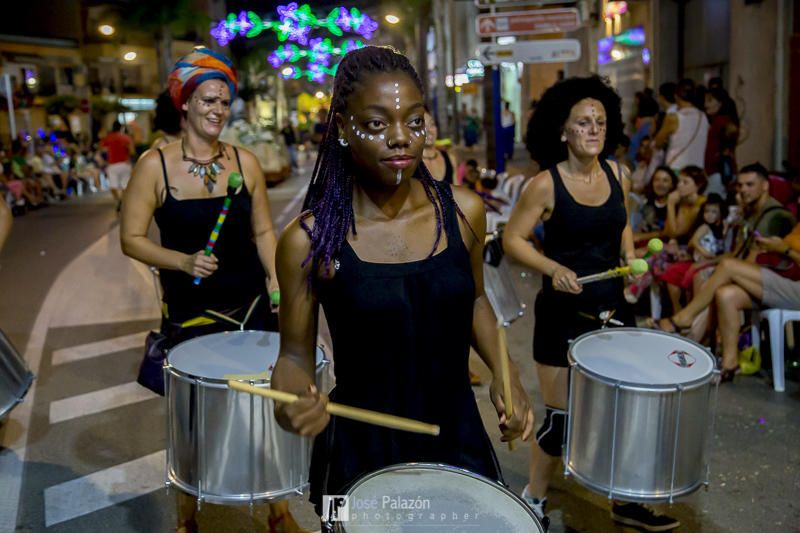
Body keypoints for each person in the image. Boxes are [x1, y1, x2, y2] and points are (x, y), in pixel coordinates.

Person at [269, 46, 533, 531]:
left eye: (414, 122)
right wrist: (290, 404)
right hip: (358, 447)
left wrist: (504, 369)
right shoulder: (309, 240)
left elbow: (473, 297)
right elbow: (293, 355)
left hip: (455, 432)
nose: (400, 139)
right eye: (376, 124)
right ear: (343, 129)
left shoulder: (464, 212)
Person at [119, 47, 298, 533]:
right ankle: (187, 518)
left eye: (225, 101)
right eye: (208, 100)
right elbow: (130, 239)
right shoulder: (154, 167)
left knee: (268, 413)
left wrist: (276, 278)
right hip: (192, 314)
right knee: (194, 424)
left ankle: (278, 513)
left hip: (252, 308)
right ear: (184, 104)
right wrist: (181, 260)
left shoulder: (245, 161)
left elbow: (263, 231)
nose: (218, 110)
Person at [504, 75, 680, 531]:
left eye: (600, 122)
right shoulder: (544, 185)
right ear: (563, 131)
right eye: (583, 123)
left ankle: (623, 502)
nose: (594, 130)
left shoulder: (617, 173)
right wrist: (551, 268)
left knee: (620, 412)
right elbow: (513, 239)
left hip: (614, 308)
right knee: (561, 419)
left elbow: (619, 219)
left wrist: (629, 253)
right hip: (563, 312)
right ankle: (534, 499)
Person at [652, 223, 800, 381]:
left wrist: (784, 249)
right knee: (726, 294)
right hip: (785, 279)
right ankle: (730, 363)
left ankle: (684, 318)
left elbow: (788, 252)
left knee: (727, 266)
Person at [653, 78, 709, 172]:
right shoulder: (703, 116)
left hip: (677, 168)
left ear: (676, 96)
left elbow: (658, 142)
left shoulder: (673, 118)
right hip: (698, 169)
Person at [704, 87, 739, 197]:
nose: (706, 104)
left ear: (720, 103)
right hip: (724, 172)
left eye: (710, 101)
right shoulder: (727, 121)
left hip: (718, 173)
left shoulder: (720, 122)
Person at [99, 121, 134, 209]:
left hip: (112, 164)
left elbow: (101, 149)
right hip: (125, 164)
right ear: (120, 128)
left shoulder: (108, 138)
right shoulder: (126, 137)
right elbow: (132, 150)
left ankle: (118, 199)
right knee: (125, 185)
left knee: (113, 186)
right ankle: (123, 200)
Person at [422, 110, 457, 184]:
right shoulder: (411, 165)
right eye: (423, 126)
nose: (429, 130)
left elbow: (458, 192)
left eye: (432, 124)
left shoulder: (450, 159)